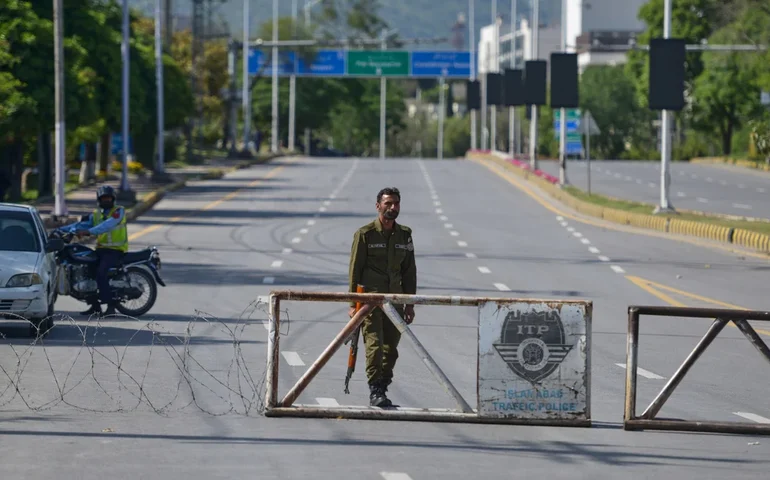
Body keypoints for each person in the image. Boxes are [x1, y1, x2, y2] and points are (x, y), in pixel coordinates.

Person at [348, 187, 417, 407]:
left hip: (395, 301)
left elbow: (409, 271)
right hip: (370, 302)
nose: (392, 207)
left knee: (391, 349)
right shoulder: (365, 234)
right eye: (388, 203)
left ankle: (383, 385)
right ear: (378, 206)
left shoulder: (404, 235)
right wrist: (353, 303)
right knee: (375, 346)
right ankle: (375, 389)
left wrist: (409, 304)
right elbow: (354, 270)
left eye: (396, 203)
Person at [60, 185, 128, 316]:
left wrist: (88, 232)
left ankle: (111, 307)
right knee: (87, 272)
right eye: (103, 198)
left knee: (101, 273)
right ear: (99, 200)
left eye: (108, 198)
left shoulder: (119, 211)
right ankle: (95, 306)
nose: (106, 200)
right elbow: (80, 225)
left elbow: (106, 226)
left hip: (115, 250)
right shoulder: (96, 214)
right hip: (101, 250)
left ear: (113, 198)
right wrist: (63, 230)